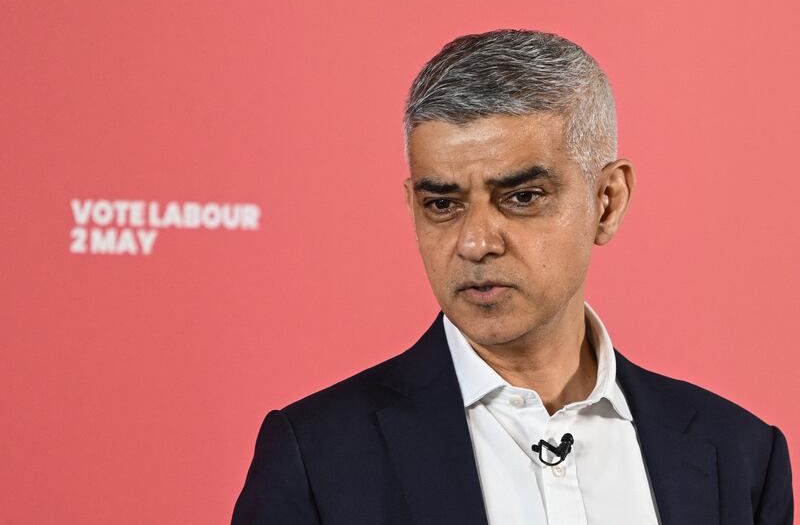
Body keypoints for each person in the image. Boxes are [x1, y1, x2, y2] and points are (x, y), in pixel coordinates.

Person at [231, 29, 793, 525]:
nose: (476, 243)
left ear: (607, 200)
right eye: (442, 205)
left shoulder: (739, 454)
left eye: (522, 197)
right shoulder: (316, 456)